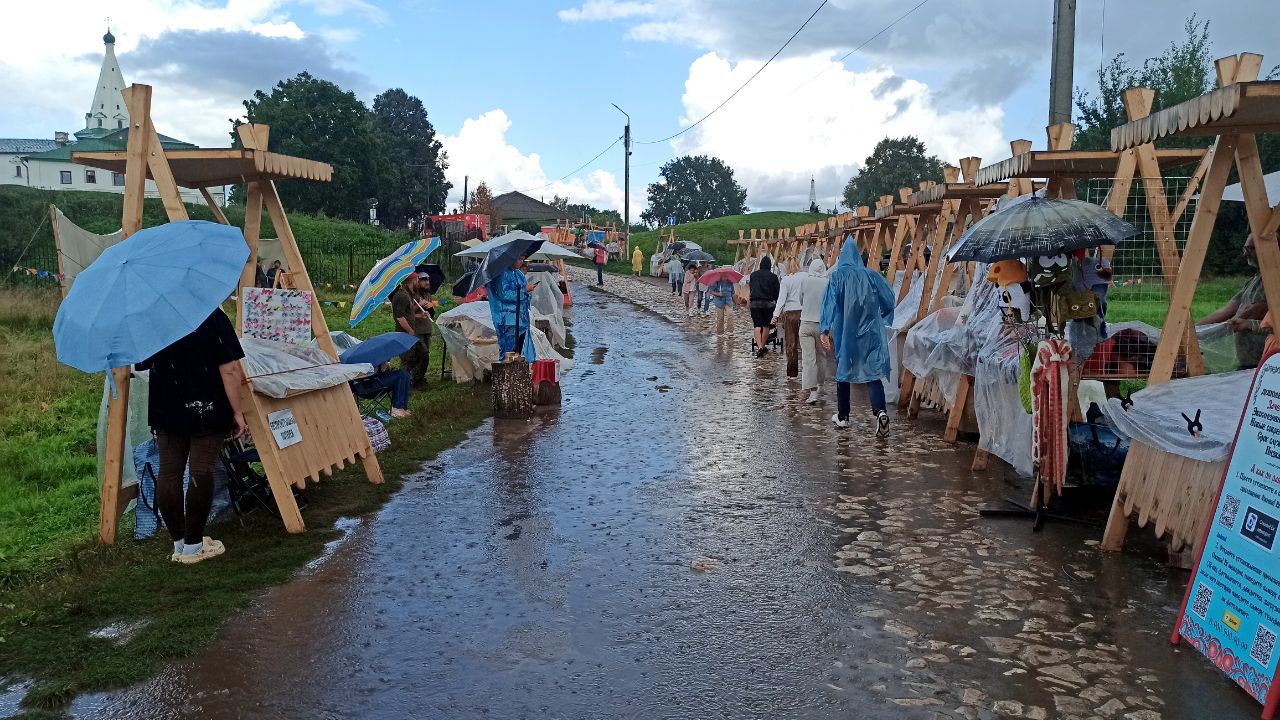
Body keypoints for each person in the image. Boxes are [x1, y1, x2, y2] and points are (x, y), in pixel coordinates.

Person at [135, 308, 246, 564]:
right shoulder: (212, 316)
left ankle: (179, 544)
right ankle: (194, 545)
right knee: (201, 470)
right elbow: (229, 369)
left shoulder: (153, 319)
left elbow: (141, 364)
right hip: (207, 406)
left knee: (169, 472)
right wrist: (238, 412)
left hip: (167, 407)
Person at [821, 239, 895, 436]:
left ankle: (843, 416)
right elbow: (888, 299)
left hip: (846, 332)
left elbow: (828, 304)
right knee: (873, 374)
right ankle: (880, 412)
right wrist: (884, 315)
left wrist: (824, 330)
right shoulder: (872, 275)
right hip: (870, 333)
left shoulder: (837, 277)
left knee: (843, 371)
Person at [1198, 235, 1271, 370]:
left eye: (1250, 249)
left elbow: (1251, 314)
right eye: (1245, 249)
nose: (1245, 254)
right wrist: (1192, 332)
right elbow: (1226, 311)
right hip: (1248, 360)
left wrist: (1246, 322)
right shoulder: (1254, 280)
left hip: (1268, 362)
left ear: (1270, 247)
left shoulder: (1275, 281)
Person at [487, 254, 538, 358]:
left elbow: (523, 291)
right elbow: (504, 295)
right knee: (508, 351)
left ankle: (517, 373)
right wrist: (525, 290)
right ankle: (505, 372)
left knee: (519, 352)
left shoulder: (518, 273)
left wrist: (527, 291)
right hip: (507, 319)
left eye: (523, 259)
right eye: (519, 259)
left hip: (521, 319)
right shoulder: (502, 273)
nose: (521, 262)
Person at [392, 274, 433, 388]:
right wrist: (410, 331)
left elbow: (408, 315)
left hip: (411, 332)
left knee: (423, 354)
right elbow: (400, 317)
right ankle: (401, 385)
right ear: (414, 280)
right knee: (408, 359)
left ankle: (416, 381)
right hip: (405, 333)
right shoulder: (402, 295)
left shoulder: (408, 295)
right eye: (417, 279)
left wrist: (421, 315)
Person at [798, 258, 830, 404]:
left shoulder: (805, 281)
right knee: (821, 356)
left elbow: (800, 300)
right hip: (822, 325)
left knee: (808, 358)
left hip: (806, 323)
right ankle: (820, 385)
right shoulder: (827, 282)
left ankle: (812, 393)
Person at [771, 261, 805, 377]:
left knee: (791, 344)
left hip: (790, 314)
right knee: (805, 344)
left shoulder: (786, 280)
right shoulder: (805, 277)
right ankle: (807, 373)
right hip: (803, 313)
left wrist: (775, 316)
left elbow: (781, 299)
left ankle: (792, 374)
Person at [749, 256, 780, 357]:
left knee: (757, 325)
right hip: (768, 304)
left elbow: (751, 289)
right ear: (769, 265)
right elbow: (777, 292)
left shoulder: (753, 275)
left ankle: (760, 347)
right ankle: (763, 345)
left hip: (754, 303)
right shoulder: (773, 277)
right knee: (766, 325)